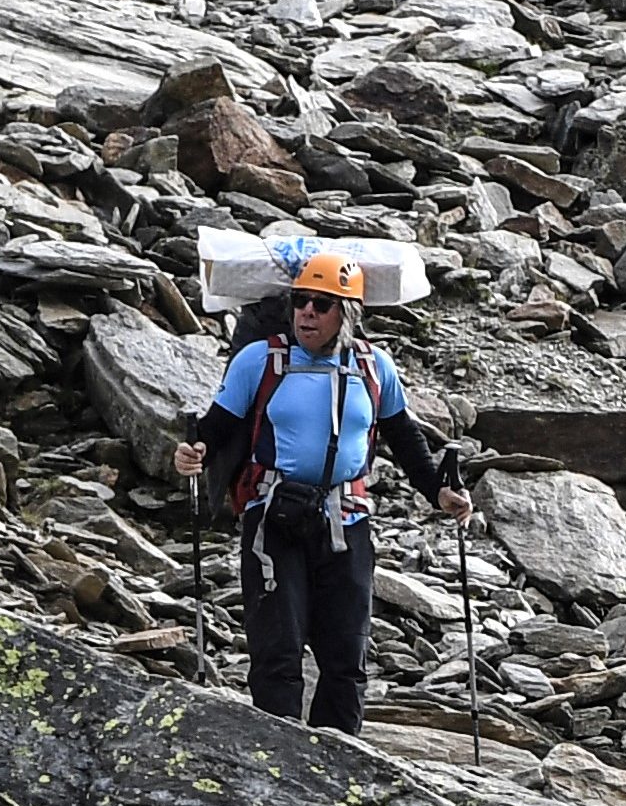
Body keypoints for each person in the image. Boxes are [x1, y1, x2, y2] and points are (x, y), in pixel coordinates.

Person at [171, 254, 470, 733]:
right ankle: (277, 763)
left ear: (346, 315)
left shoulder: (375, 368)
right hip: (273, 520)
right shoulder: (260, 361)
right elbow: (214, 430)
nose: (307, 313)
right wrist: (191, 454)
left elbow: (405, 439)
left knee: (346, 660)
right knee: (277, 654)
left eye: (321, 304)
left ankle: (338, 765)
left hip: (347, 521)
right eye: (300, 302)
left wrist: (439, 492)